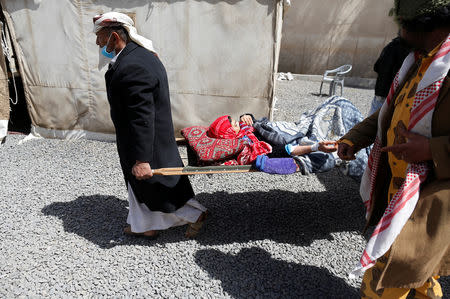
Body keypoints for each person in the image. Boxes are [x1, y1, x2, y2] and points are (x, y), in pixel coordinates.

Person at [337, 1, 450, 297]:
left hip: (429, 200)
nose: (398, 30)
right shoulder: (418, 60)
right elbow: (390, 110)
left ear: (429, 24)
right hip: (396, 191)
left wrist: (430, 148)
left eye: (403, 23)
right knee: (420, 272)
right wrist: (354, 138)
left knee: (388, 274)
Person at [93, 12, 207, 239]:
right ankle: (145, 225)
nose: (97, 43)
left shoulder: (133, 66)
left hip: (146, 140)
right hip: (140, 138)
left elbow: (141, 116)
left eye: (100, 37)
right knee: (140, 187)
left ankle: (195, 214)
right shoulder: (138, 56)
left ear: (115, 37)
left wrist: (142, 159)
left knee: (156, 186)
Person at [206, 115, 337, 174]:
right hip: (283, 144)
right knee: (326, 159)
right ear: (228, 133)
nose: (239, 125)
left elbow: (256, 122)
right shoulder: (245, 145)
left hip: (281, 131)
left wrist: (246, 116)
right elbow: (279, 150)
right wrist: (315, 147)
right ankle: (309, 152)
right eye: (235, 125)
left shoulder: (245, 130)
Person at [369, 36, 411, 115]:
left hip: (380, 89)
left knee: (373, 116)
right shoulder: (407, 52)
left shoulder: (389, 47)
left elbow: (376, 67)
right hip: (393, 91)